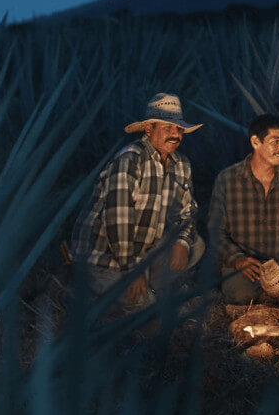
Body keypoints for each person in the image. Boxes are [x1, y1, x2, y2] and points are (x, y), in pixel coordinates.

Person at [71, 92, 206, 311]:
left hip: (142, 249)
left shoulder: (181, 164)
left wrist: (182, 242)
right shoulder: (129, 159)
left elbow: (188, 211)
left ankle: (150, 286)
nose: (175, 134)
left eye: (179, 128)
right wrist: (131, 272)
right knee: (146, 309)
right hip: (105, 255)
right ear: (149, 129)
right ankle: (105, 289)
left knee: (195, 245)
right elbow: (117, 220)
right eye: (168, 127)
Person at [210, 113, 279, 304]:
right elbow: (215, 230)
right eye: (275, 141)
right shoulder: (227, 179)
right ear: (255, 142)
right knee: (243, 297)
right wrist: (237, 260)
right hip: (246, 268)